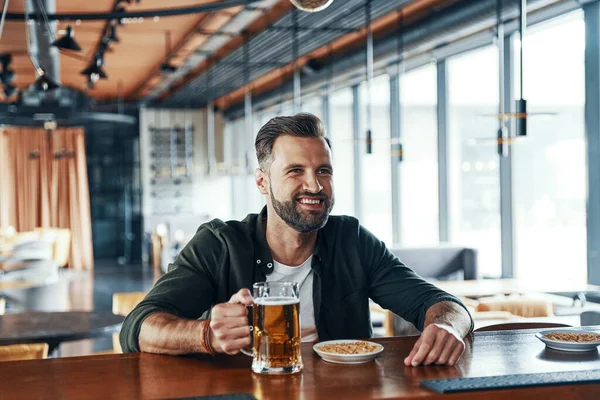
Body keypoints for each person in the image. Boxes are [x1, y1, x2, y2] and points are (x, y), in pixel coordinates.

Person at [120, 113, 473, 367]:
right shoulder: (219, 244)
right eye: (295, 171)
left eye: (323, 170)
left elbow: (442, 303)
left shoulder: (352, 241)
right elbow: (138, 328)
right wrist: (205, 335)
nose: (315, 185)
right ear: (262, 182)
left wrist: (445, 324)